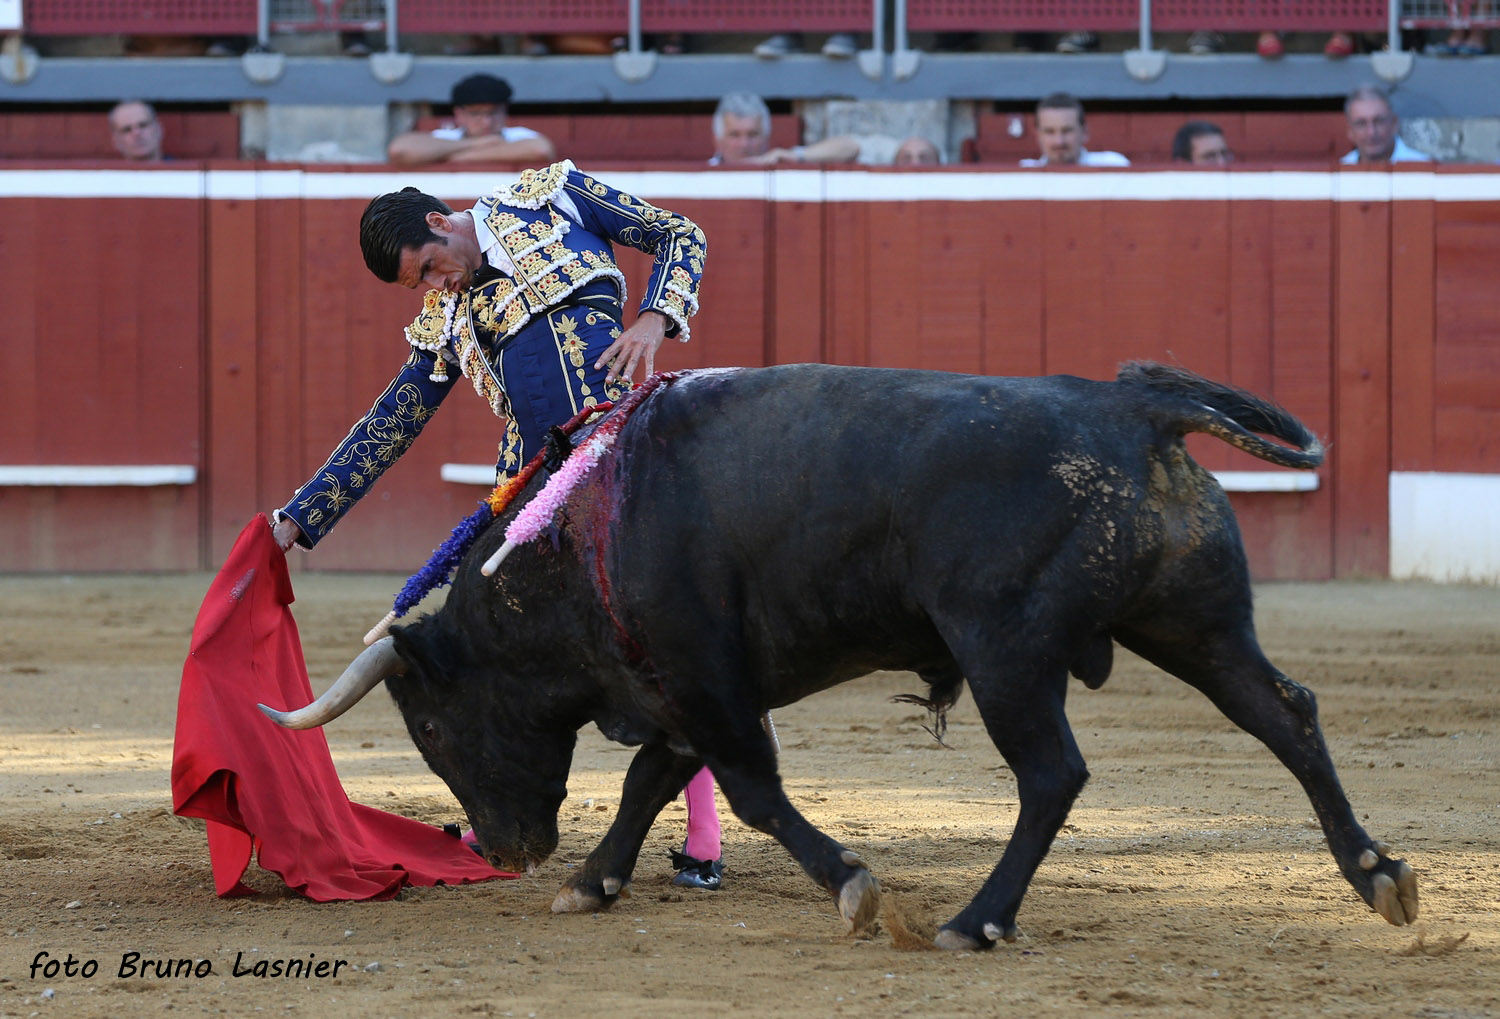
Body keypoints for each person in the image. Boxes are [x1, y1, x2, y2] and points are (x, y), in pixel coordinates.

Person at [268, 160, 725, 890]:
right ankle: (501, 812)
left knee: (666, 641)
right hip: (530, 498)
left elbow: (679, 233)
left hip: (626, 462)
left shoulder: (549, 199)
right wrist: (301, 516)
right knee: (505, 656)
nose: (435, 285)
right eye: (419, 285)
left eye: (429, 267)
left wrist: (652, 317)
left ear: (439, 223)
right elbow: (392, 422)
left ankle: (704, 836)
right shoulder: (447, 317)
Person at [387, 74, 556, 166]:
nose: (486, 122)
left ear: (504, 111)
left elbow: (540, 150)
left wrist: (461, 157)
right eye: (476, 114)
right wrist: (477, 143)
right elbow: (399, 151)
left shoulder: (517, 135)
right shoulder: (447, 136)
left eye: (494, 113)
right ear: (459, 114)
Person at [1020, 93, 1130, 167]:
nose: (1059, 141)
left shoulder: (1112, 165)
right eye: (1049, 132)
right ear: (1038, 135)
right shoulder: (1023, 174)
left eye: (1067, 131)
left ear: (1084, 132)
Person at [1341, 85, 1431, 165]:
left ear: (1394, 124)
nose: (1371, 133)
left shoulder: (1425, 170)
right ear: (1350, 131)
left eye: (1378, 121)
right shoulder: (1339, 172)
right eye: (1361, 124)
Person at [709, 91, 772, 165]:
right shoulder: (704, 172)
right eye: (734, 135)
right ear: (718, 141)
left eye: (752, 134)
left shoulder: (780, 171)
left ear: (766, 138)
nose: (744, 144)